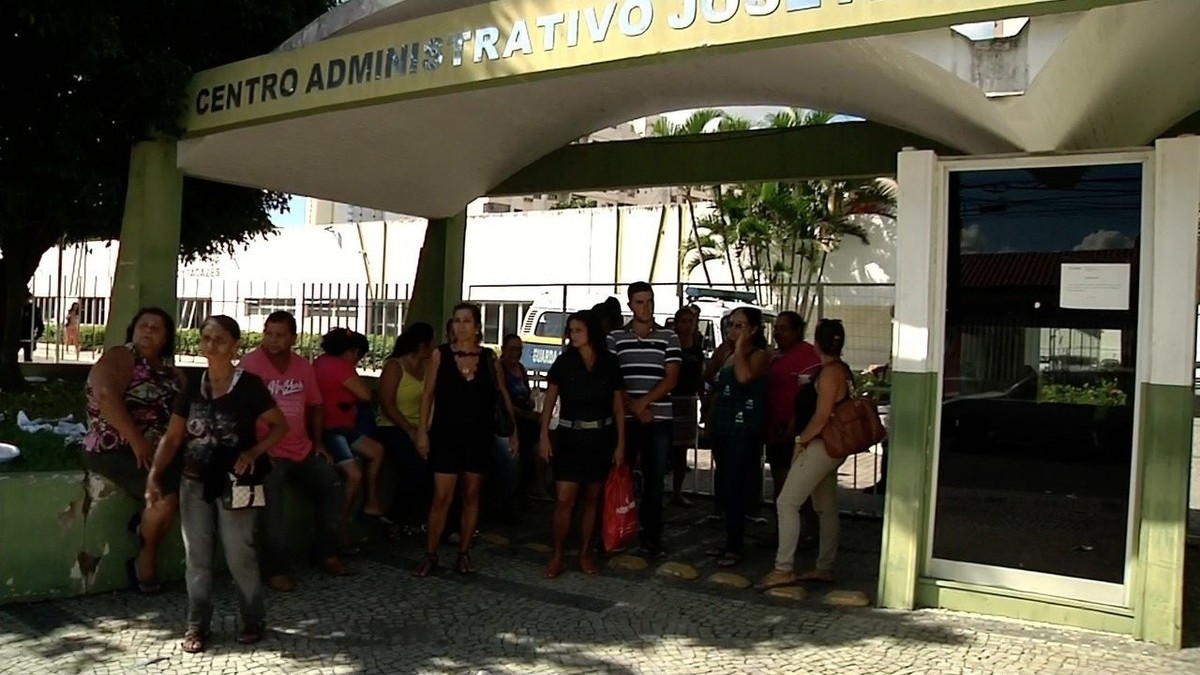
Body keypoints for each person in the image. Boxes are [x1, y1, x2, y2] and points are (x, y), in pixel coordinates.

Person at [145, 315, 287, 654]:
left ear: (234, 345)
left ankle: (252, 619)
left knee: (240, 554)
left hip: (236, 483)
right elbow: (174, 435)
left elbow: (279, 426)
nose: (211, 345)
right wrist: (154, 473)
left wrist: (253, 451)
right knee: (197, 556)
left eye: (219, 339)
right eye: (206, 338)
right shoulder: (193, 384)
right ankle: (197, 624)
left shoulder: (250, 385)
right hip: (194, 480)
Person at [239, 311, 348, 593]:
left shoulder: (302, 366)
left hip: (301, 447)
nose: (273, 340)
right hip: (267, 450)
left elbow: (316, 404)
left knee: (332, 484)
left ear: (293, 337)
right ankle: (276, 569)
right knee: (272, 506)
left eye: (280, 335)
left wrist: (320, 442)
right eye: (269, 333)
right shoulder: (250, 365)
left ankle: (326, 553)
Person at [82, 307, 186, 595]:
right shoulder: (121, 356)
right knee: (164, 497)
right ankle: (146, 558)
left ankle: (144, 526)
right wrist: (138, 441)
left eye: (156, 328)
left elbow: (187, 412)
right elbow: (105, 395)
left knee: (192, 487)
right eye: (143, 325)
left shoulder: (171, 372)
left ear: (166, 338)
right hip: (116, 448)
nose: (148, 331)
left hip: (161, 452)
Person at [414, 303, 518, 576]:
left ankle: (464, 551)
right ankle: (431, 552)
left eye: (467, 321)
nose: (461, 326)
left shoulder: (488, 358)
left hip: (478, 436)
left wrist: (513, 430)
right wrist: (423, 431)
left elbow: (502, 393)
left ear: (477, 326)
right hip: (446, 435)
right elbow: (428, 395)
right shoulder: (441, 355)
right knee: (442, 496)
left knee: (472, 495)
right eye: (457, 320)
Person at [756, 319, 852, 591]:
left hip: (821, 444)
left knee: (787, 502)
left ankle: (783, 567)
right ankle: (824, 566)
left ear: (817, 342)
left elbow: (821, 417)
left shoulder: (830, 373)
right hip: (832, 446)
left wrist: (801, 440)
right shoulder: (840, 370)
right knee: (825, 505)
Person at [539, 311, 626, 578]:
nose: (572, 335)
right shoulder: (564, 363)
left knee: (592, 498)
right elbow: (549, 401)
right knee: (564, 499)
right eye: (571, 330)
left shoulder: (609, 363)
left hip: (601, 436)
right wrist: (543, 435)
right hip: (569, 436)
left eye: (578, 330)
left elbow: (618, 406)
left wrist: (621, 442)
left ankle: (585, 553)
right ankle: (557, 555)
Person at [608, 282, 680, 558]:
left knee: (655, 480)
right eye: (639, 302)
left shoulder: (668, 337)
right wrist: (634, 407)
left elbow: (671, 377)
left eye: (649, 301)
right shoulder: (615, 338)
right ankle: (616, 530)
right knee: (619, 476)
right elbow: (614, 379)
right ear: (630, 305)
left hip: (657, 419)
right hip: (626, 419)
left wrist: (643, 403)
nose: (646, 307)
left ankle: (652, 537)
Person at [313, 328, 388, 554]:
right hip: (334, 430)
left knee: (376, 450)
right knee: (354, 475)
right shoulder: (342, 367)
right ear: (352, 351)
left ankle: (370, 502)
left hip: (338, 427)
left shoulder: (319, 362)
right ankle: (340, 526)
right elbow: (365, 394)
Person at [706, 307, 770, 568]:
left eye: (739, 326)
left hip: (744, 429)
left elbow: (744, 377)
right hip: (722, 426)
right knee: (725, 484)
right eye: (731, 325)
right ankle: (729, 541)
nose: (733, 330)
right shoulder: (727, 353)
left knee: (736, 485)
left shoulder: (759, 355)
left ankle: (736, 545)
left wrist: (741, 347)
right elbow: (712, 380)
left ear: (753, 329)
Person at [764, 311, 822, 547]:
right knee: (779, 483)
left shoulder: (809, 355)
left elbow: (809, 396)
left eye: (784, 328)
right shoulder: (775, 357)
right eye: (776, 328)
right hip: (775, 430)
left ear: (797, 331)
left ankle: (810, 532)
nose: (778, 332)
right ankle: (783, 533)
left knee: (800, 487)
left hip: (798, 431)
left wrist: (794, 423)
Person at [376, 322, 436, 533]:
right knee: (415, 466)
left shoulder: (429, 366)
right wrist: (409, 430)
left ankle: (425, 520)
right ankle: (394, 517)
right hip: (391, 426)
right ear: (422, 345)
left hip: (420, 427)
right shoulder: (395, 366)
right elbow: (387, 404)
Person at [500, 333, 550, 503]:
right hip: (508, 418)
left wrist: (529, 404)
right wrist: (527, 414)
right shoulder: (500, 369)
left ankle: (538, 483)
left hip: (525, 415)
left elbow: (526, 394)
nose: (516, 353)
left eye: (519, 349)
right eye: (512, 349)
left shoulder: (521, 369)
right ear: (504, 350)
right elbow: (503, 401)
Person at [669, 305, 704, 506]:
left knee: (682, 450)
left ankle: (677, 491)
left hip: (688, 400)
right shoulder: (670, 342)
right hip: (669, 398)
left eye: (691, 321)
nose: (688, 325)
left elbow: (700, 372)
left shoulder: (697, 343)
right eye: (684, 321)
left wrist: (703, 396)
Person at [18, 291, 44, 362]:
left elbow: (40, 324)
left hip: (28, 335)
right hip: (17, 335)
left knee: (28, 357)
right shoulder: (15, 308)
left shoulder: (34, 309)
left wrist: (37, 336)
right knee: (11, 356)